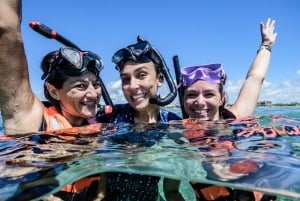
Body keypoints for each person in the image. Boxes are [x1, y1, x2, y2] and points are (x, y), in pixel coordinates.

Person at [0, 0, 106, 200]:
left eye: (96, 84)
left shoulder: (97, 127)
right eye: (80, 86)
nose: (93, 93)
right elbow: (6, 30)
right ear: (54, 92)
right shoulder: (32, 119)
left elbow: (100, 188)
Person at [165, 18, 277, 201]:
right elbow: (170, 191)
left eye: (209, 94)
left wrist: (266, 44)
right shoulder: (178, 137)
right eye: (191, 95)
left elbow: (255, 78)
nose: (199, 102)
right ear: (183, 101)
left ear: (222, 98)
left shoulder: (236, 118)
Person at [96, 39, 184, 200]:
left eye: (141, 75)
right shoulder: (112, 118)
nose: (132, 85)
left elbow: (171, 191)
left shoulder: (174, 125)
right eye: (125, 79)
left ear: (160, 78)